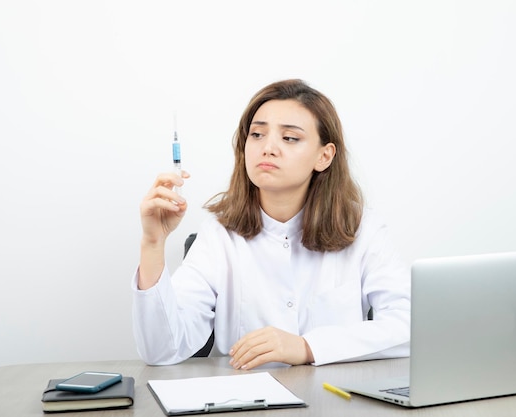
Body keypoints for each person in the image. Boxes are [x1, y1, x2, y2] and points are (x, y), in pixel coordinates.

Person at [133, 79, 410, 370]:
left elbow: (408, 325)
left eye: (289, 138)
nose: (268, 148)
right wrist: (153, 243)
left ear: (324, 156)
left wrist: (307, 347)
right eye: (257, 134)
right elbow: (162, 349)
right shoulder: (219, 235)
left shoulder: (362, 228)